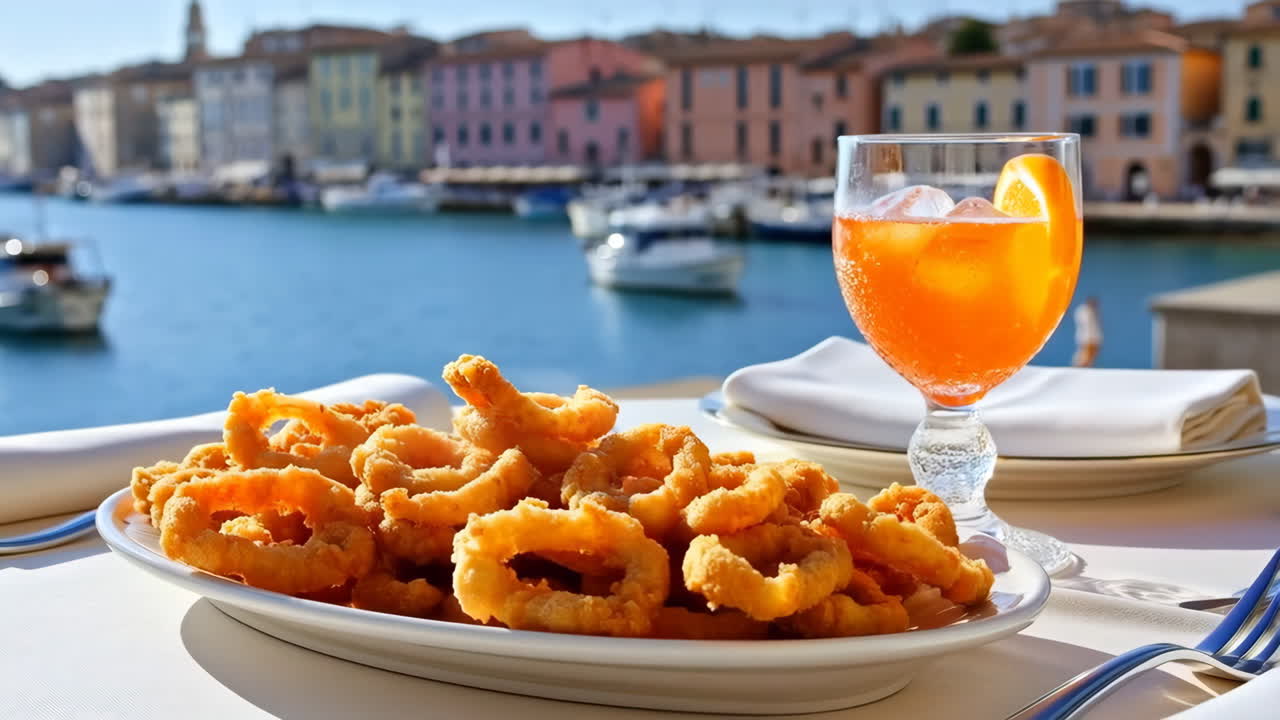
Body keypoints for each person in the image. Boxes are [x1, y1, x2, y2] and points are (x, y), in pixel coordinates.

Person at [1072, 297, 1101, 367]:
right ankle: (1078, 366)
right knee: (1085, 355)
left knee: (1089, 355)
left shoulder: (1090, 311)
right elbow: (1087, 325)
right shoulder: (1084, 311)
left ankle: (1084, 366)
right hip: (1088, 338)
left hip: (1091, 337)